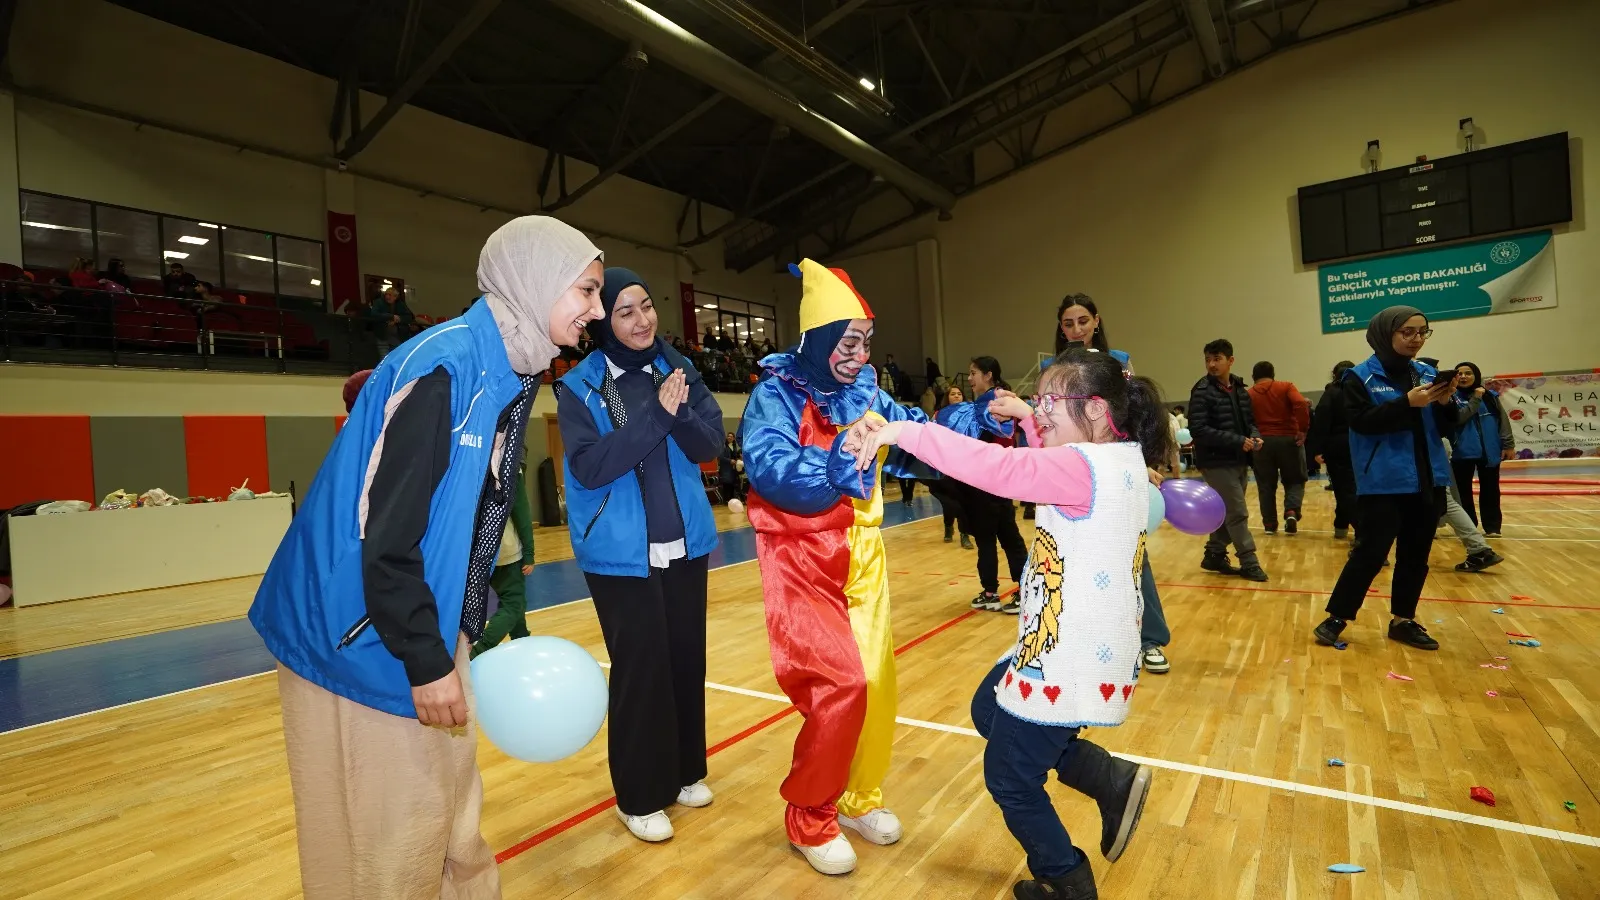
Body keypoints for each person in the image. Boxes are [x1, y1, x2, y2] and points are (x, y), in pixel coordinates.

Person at [248, 216, 604, 899]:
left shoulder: (509, 370)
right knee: (391, 845)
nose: (595, 308)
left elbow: (473, 511)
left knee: (454, 827)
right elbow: (383, 536)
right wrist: (423, 654)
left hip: (424, 626)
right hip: (358, 636)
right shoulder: (444, 370)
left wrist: (468, 613)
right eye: (585, 290)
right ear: (532, 283)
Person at [841, 346, 1163, 900]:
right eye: (1037, 401)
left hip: (1066, 654)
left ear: (1095, 410)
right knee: (989, 706)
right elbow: (1057, 470)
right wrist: (1026, 421)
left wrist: (901, 432)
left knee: (1010, 778)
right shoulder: (1124, 459)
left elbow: (999, 468)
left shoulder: (1078, 467)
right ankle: (1107, 778)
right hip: (1087, 647)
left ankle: (1066, 879)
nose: (1039, 411)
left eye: (1048, 402)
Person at [738, 258, 927, 875]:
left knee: (875, 685)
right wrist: (838, 466)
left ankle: (857, 797)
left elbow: (915, 435)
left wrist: (980, 421)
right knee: (839, 684)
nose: (859, 352)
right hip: (801, 557)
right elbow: (770, 469)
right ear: (818, 337)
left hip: (863, 556)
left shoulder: (868, 391)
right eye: (849, 340)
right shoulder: (776, 394)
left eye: (867, 340)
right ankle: (809, 815)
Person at [554, 268, 724, 842]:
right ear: (603, 319)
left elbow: (709, 448)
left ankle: (682, 772)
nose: (643, 319)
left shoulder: (680, 370)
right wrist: (657, 415)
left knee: (683, 659)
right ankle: (638, 793)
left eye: (647, 306)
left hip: (684, 543)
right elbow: (590, 465)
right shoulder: (577, 386)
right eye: (625, 311)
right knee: (640, 670)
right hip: (618, 554)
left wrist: (677, 412)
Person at [1313, 307, 1459, 652]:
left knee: (1415, 555)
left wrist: (1446, 402)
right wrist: (1406, 404)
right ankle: (1337, 617)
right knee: (1369, 553)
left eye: (1423, 332)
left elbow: (1446, 426)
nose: (1416, 339)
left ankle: (1403, 621)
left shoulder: (1426, 373)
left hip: (1428, 478)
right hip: (1383, 482)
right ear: (1385, 333)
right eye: (1407, 332)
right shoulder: (1358, 377)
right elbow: (1362, 422)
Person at [1050, 295, 1175, 674]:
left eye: (1083, 321)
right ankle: (1079, 638)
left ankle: (1150, 639)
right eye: (1069, 323)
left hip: (1114, 469)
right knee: (1068, 557)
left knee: (1134, 555)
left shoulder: (1119, 362)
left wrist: (1139, 463)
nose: (1077, 329)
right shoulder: (1054, 367)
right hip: (1071, 470)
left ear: (1097, 321)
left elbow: (1134, 414)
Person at [943, 356, 1028, 614]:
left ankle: (1000, 592)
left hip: (988, 482)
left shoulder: (989, 404)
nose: (969, 379)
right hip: (995, 483)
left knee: (996, 540)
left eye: (973, 373)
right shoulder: (999, 401)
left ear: (988, 375)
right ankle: (1015, 591)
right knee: (1003, 539)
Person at [1188, 339, 1269, 582]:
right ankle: (1249, 561)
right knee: (1237, 512)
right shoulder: (1202, 390)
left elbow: (1250, 422)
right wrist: (1237, 440)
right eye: (1208, 360)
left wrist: (1255, 437)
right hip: (1215, 462)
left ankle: (1214, 555)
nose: (1211, 364)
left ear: (1230, 360)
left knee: (1225, 512)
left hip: (1239, 460)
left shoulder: (1240, 389)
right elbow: (1198, 429)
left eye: (1217, 359)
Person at [469, 458, 535, 659]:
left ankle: (522, 642)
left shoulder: (471, 460)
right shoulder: (509, 465)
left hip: (476, 549)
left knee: (514, 600)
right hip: (505, 549)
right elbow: (521, 510)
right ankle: (478, 652)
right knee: (513, 604)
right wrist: (529, 552)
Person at [1246, 361, 1311, 534]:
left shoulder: (1248, 394)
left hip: (1261, 442)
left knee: (1265, 485)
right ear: (1273, 374)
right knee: (1295, 479)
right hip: (1289, 440)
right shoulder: (1286, 386)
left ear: (1253, 377)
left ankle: (1269, 524)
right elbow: (1300, 404)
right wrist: (1302, 430)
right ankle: (1291, 510)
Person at [1450, 361, 1514, 536]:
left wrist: (1508, 444)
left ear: (1476, 375)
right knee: (1463, 493)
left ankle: (1493, 527)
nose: (1463, 377)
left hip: (1490, 451)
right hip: (1461, 453)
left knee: (1491, 490)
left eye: (1468, 373)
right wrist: (1476, 398)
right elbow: (1459, 418)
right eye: (1459, 373)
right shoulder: (1451, 397)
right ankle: (1469, 528)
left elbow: (1503, 421)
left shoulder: (1491, 396)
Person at [1307, 361, 1358, 540]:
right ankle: (1341, 526)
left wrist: (1317, 450)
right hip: (1361, 446)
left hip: (1338, 447)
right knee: (1352, 489)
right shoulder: (1360, 391)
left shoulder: (1331, 393)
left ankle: (1362, 532)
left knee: (1345, 491)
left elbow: (1321, 422)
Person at [926, 385, 975, 549]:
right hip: (944, 463)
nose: (956, 396)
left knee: (962, 499)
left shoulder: (969, 413)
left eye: (959, 393)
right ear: (947, 397)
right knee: (949, 500)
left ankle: (964, 534)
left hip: (964, 463)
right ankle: (948, 527)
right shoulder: (939, 414)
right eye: (953, 394)